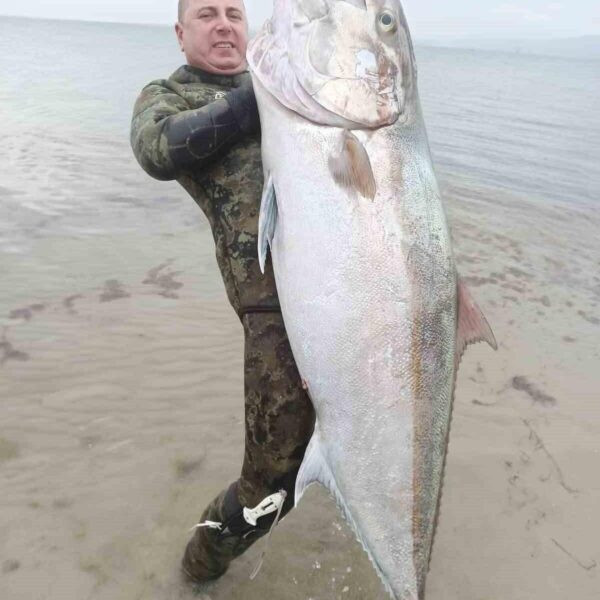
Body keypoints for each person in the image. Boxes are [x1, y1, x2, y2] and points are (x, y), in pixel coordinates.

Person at [130, 0, 315, 585]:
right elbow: (158, 150)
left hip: (346, 291)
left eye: (235, 12)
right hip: (273, 316)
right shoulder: (173, 95)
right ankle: (197, 571)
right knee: (273, 486)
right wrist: (254, 98)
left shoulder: (284, 83)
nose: (224, 24)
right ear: (181, 33)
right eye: (206, 13)